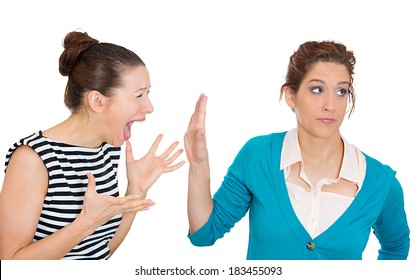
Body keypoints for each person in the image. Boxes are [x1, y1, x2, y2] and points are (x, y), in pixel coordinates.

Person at [184, 41, 410, 260]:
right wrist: (198, 164)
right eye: (317, 89)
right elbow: (205, 234)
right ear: (290, 96)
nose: (330, 105)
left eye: (341, 91)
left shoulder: (381, 182)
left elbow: (396, 247)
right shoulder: (258, 156)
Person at [0, 31, 185, 260]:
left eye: (148, 93)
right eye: (139, 95)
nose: (149, 107)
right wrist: (85, 224)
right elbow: (10, 263)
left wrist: (136, 189)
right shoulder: (33, 159)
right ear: (97, 101)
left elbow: (99, 252)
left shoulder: (105, 150)